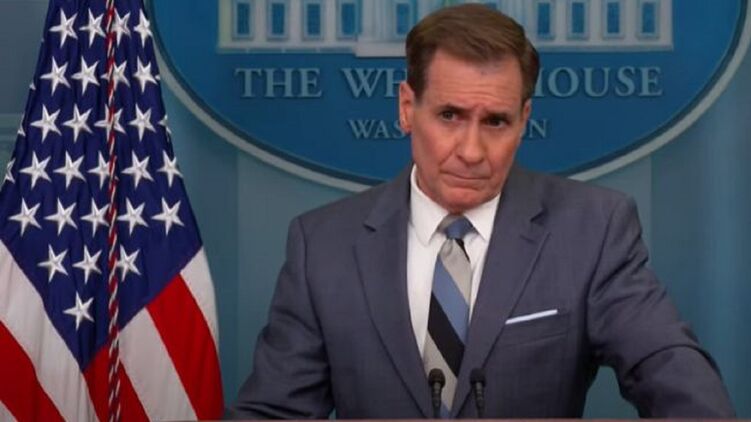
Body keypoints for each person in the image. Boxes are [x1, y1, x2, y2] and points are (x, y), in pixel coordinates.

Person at [229, 4, 734, 418]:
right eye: (449, 115)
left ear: (524, 120)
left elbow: (669, 370)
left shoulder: (593, 230)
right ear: (406, 108)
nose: (471, 151)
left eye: (495, 122)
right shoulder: (323, 246)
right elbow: (275, 411)